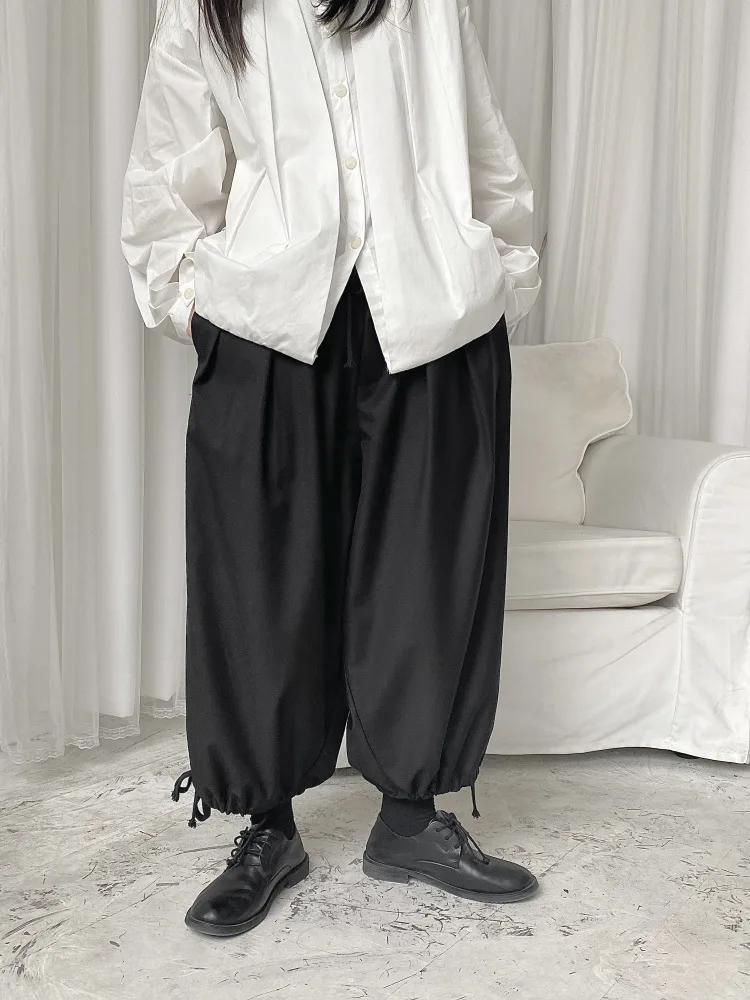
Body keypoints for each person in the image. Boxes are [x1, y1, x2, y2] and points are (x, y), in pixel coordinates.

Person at [120, 0, 542, 938]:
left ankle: (410, 822)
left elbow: (480, 139)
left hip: (428, 316)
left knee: (426, 573)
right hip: (268, 320)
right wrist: (196, 306)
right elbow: (166, 163)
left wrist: (499, 276)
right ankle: (267, 829)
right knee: (256, 576)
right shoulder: (204, 7)